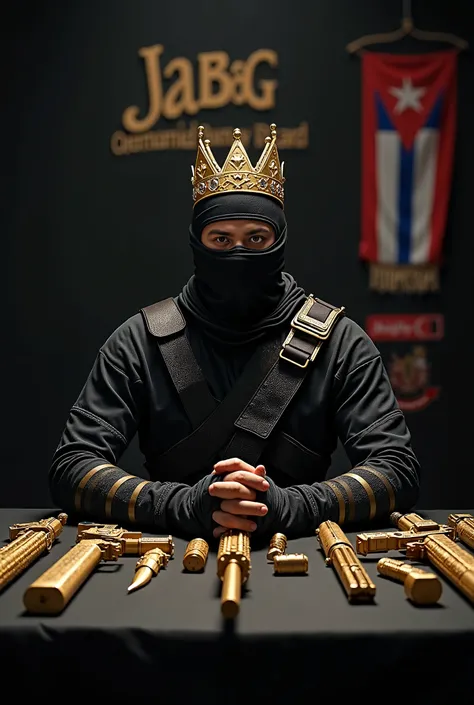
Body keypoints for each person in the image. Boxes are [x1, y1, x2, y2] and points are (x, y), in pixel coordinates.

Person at [49, 124, 420, 542]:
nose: (239, 252)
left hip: (301, 568)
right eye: (221, 239)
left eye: (257, 238)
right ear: (197, 242)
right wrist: (180, 506)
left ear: (279, 240)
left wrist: (289, 507)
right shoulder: (138, 342)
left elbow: (396, 468)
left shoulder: (341, 343)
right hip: (172, 563)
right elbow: (73, 466)